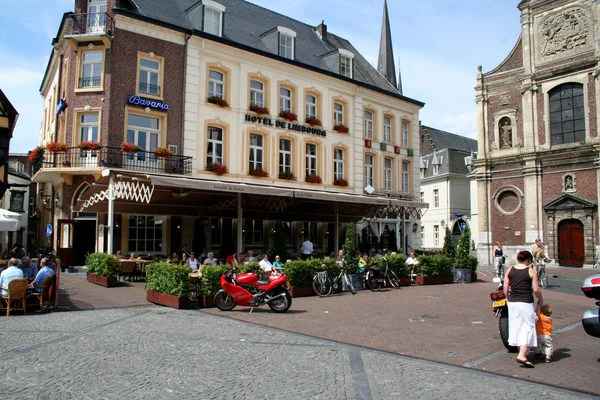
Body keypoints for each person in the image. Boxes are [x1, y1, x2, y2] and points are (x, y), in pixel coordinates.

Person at [504, 250, 543, 368]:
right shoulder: (531, 271)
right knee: (528, 327)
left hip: (513, 302)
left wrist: (507, 299)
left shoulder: (510, 270)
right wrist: (540, 300)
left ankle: (522, 353)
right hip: (525, 302)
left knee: (516, 326)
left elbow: (505, 287)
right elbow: (536, 289)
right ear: (529, 260)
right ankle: (522, 354)